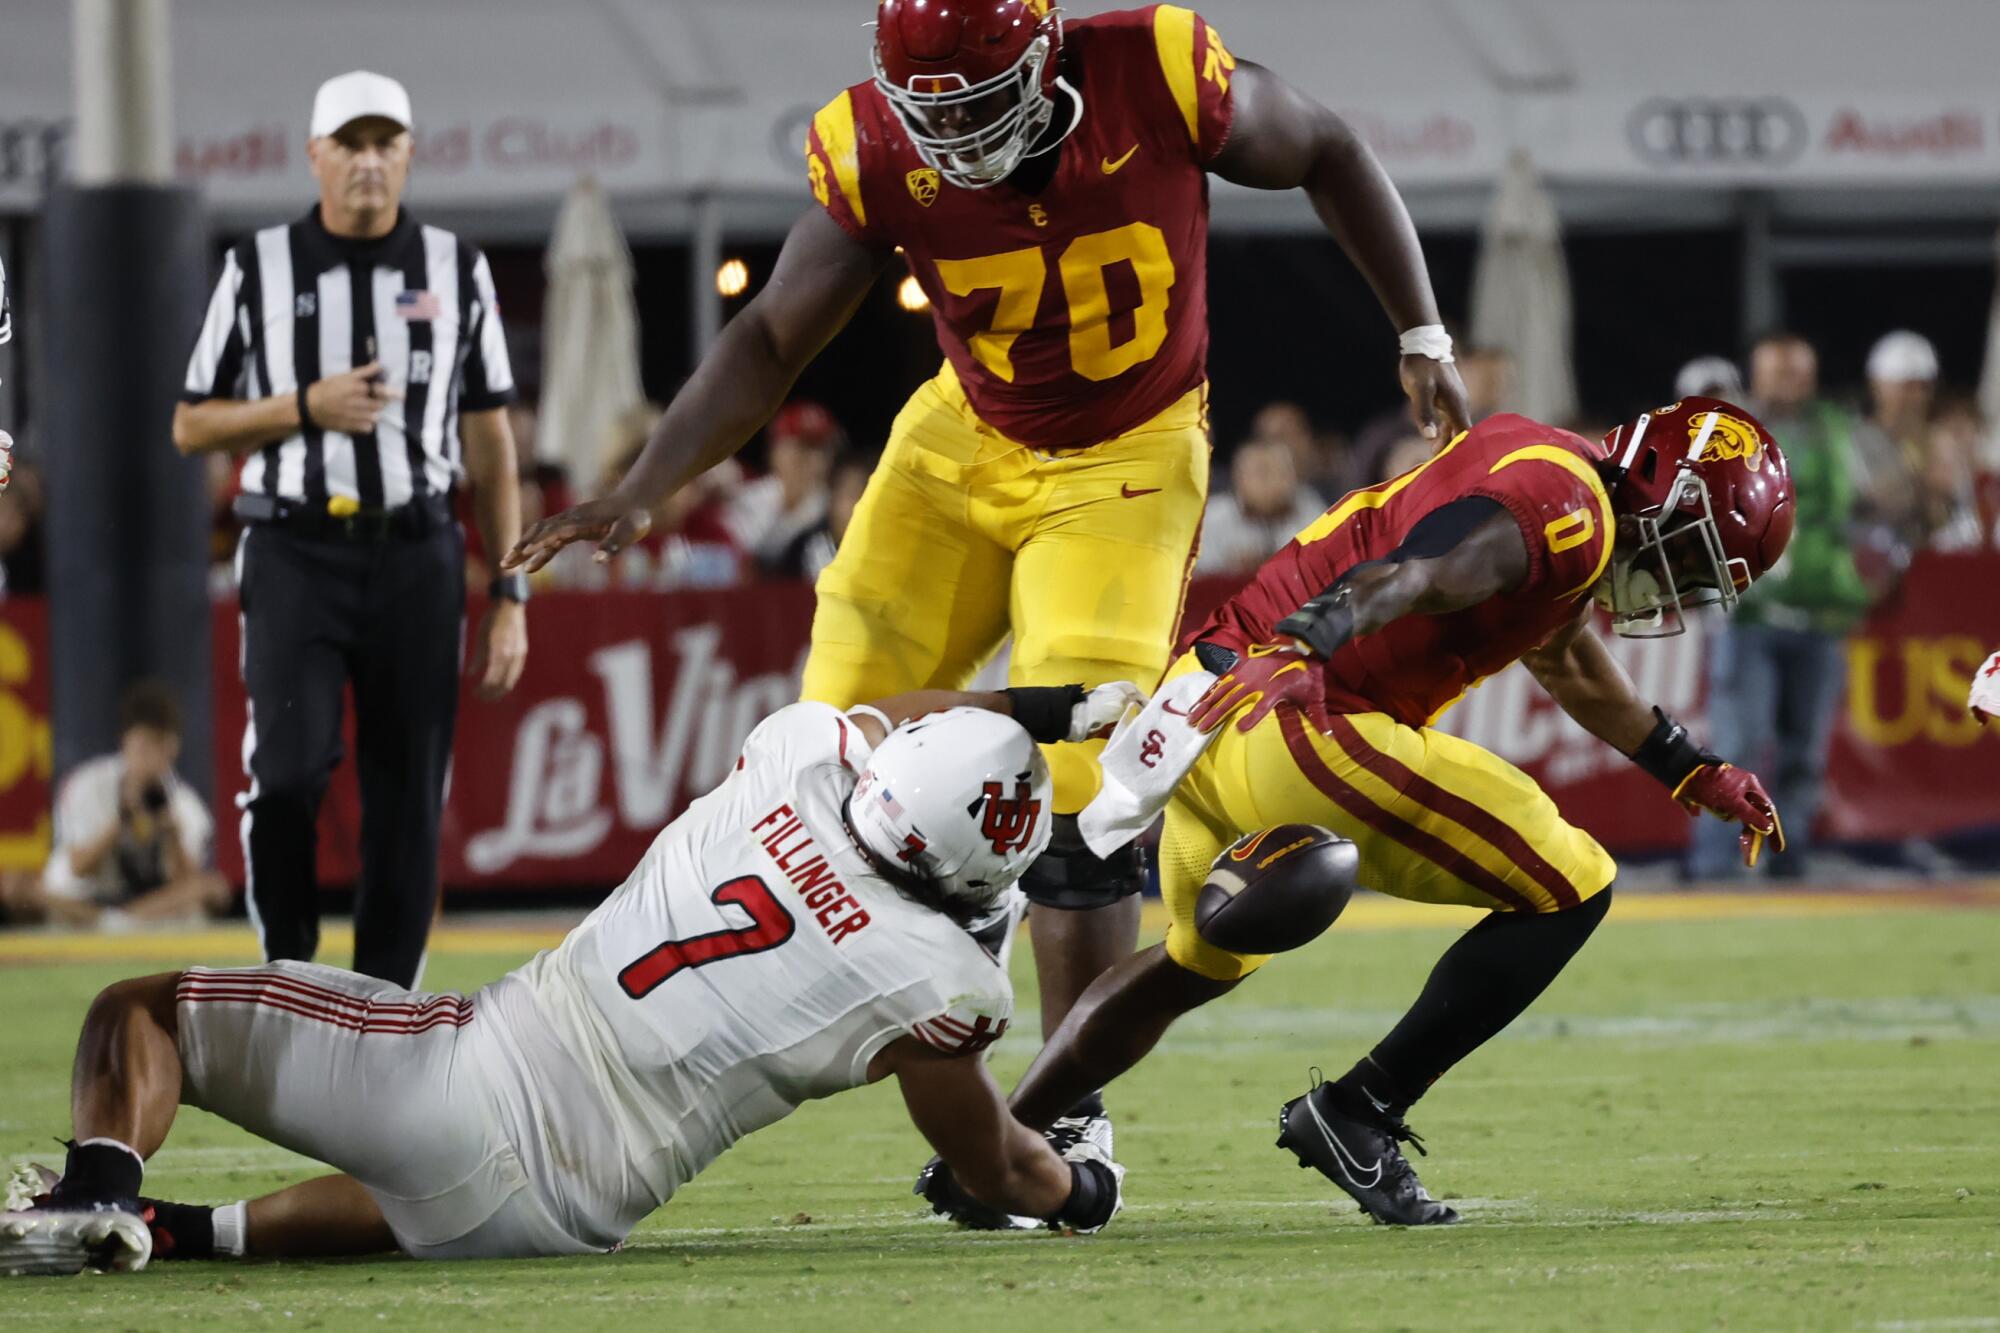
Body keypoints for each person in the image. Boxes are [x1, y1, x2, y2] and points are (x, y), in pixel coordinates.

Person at [507, 1, 1470, 1154]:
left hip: (1125, 452)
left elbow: (1326, 148)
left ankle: (1067, 1119)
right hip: (960, 440)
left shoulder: (1155, 70)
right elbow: (771, 333)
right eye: (933, 112)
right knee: (818, 751)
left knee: (1086, 782)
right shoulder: (871, 141)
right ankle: (717, 1045)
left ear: (1044, 57)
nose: (953, 136)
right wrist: (645, 483)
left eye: (975, 104)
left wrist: (1421, 335)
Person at [945, 398, 1792, 1229]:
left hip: (1201, 704)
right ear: (1660, 489)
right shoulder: (1566, 512)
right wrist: (1315, 638)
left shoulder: (1550, 475)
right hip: (1301, 709)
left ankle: (991, 1150)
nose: (1679, 582)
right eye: (1693, 556)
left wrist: (1689, 768)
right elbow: (1422, 571)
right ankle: (1361, 1108)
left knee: (1191, 964)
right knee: (1575, 884)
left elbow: (1565, 657)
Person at [0, 688, 1137, 1275]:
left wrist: (1042, 705)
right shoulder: (936, 978)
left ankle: (98, 1189)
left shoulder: (794, 755)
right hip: (563, 1214)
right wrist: (1080, 1194)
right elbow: (994, 1167)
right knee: (432, 1196)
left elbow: (908, 710)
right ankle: (164, 1231)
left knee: (138, 1014)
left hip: (467, 1073)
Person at [169, 72, 527, 986]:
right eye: (351, 144)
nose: (369, 162)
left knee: (409, 798)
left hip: (419, 548)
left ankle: (382, 1007)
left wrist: (510, 588)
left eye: (385, 143)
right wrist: (304, 406)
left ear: (408, 153)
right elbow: (192, 422)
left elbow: (489, 438)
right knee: (287, 772)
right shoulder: (260, 266)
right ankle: (289, 965)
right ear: (315, 154)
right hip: (294, 546)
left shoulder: (456, 267)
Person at [1688, 334, 1873, 882]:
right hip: (1749, 615)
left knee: (1804, 753)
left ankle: (1789, 866)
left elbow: (1878, 497)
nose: (1789, 381)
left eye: (1798, 370)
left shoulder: (1840, 430)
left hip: (1820, 613)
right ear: (1757, 374)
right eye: (1778, 370)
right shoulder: (1726, 431)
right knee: (1736, 746)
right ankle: (1714, 866)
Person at [2, 682, 228, 930]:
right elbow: (79, 869)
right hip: (85, 900)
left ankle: (116, 925)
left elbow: (188, 882)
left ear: (173, 749)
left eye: (160, 747)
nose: (151, 758)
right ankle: (117, 924)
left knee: (212, 888)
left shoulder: (183, 801)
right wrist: (120, 822)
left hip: (148, 905)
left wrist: (172, 833)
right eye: (144, 746)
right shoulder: (86, 784)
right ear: (125, 741)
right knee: (15, 886)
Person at [725, 400, 842, 568]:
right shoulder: (747, 498)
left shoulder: (833, 509)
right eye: (801, 447)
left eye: (820, 449)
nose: (812, 459)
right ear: (775, 450)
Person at [1195, 438, 1324, 575]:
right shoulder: (1211, 517)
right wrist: (1233, 568)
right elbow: (1201, 577)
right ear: (1238, 478)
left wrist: (1268, 561)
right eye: (1262, 473)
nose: (1274, 481)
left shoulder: (1309, 505)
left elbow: (1327, 561)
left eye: (1282, 472)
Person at [767, 450, 876, 583]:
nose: (859, 503)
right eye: (851, 493)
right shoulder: (804, 548)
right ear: (833, 499)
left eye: (866, 494)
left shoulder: (887, 550)